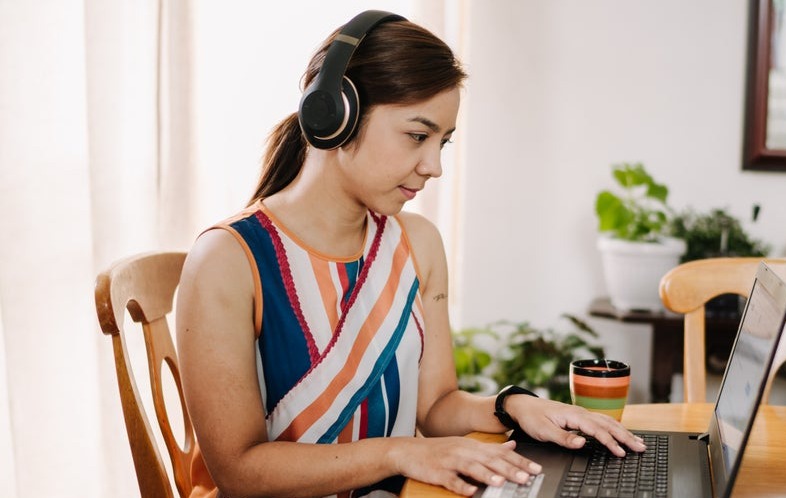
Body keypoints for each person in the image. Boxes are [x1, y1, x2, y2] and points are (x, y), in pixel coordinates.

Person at [176, 10, 645, 498]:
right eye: (418, 136)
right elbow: (238, 472)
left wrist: (513, 406)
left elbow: (436, 406)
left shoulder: (417, 242)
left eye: (443, 142)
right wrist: (401, 452)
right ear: (334, 115)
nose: (434, 166)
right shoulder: (227, 261)